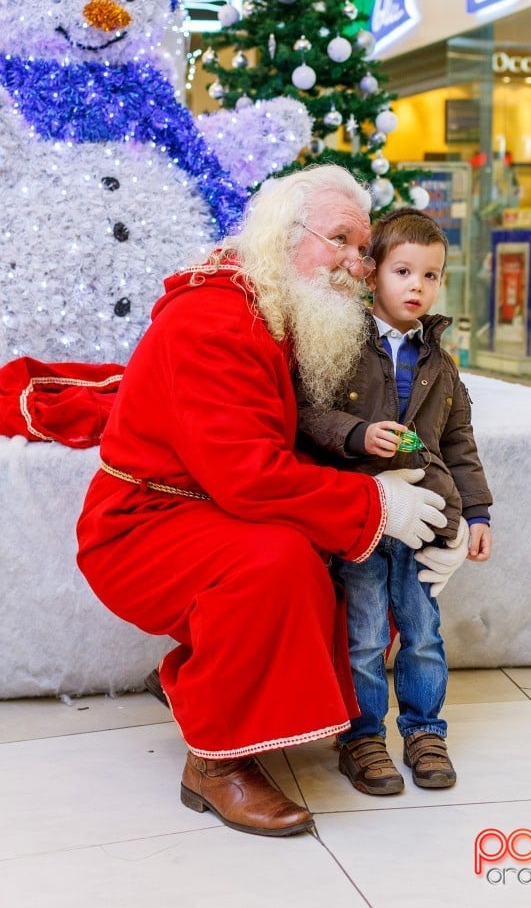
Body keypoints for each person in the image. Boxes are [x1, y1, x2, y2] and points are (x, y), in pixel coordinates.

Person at [76, 165, 467, 839]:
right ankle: (214, 763)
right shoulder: (216, 319)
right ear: (284, 236)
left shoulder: (281, 304)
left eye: (362, 247)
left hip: (203, 507)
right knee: (276, 562)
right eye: (340, 240)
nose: (355, 262)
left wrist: (448, 514)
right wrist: (376, 506)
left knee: (351, 570)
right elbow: (250, 475)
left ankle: (207, 680)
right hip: (142, 525)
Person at [296, 208, 493, 796]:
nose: (417, 286)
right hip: (364, 515)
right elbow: (308, 413)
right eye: (403, 271)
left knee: (423, 631)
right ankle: (361, 737)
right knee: (362, 635)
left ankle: (425, 730)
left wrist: (477, 514)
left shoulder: (440, 362)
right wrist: (357, 435)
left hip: (426, 518)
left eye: (431, 276)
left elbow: (458, 442)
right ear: (372, 273)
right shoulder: (341, 343)